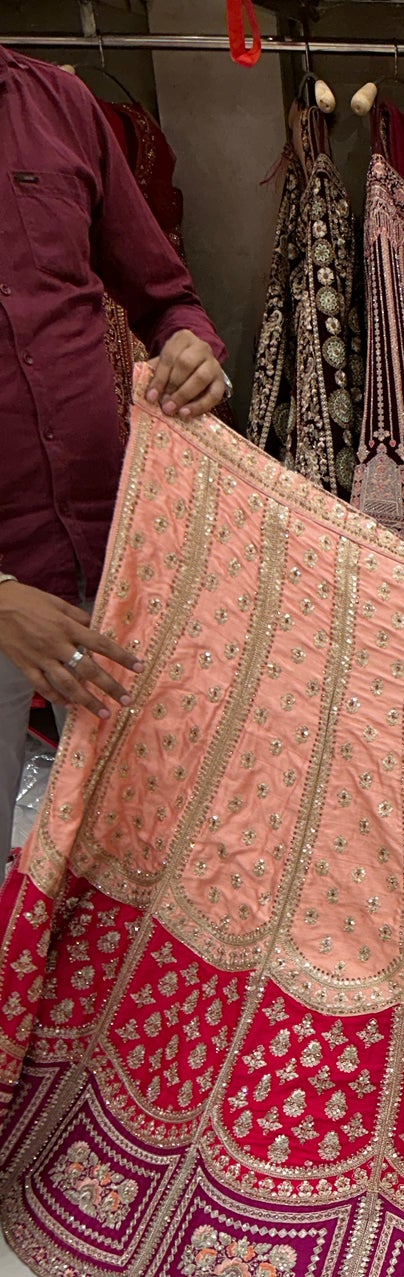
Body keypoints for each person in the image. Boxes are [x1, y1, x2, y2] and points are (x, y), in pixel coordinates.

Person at [0, 45, 229, 837]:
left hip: (113, 559)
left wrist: (194, 350)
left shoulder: (60, 107)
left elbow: (166, 296)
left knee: (144, 842)